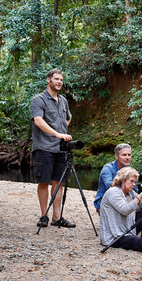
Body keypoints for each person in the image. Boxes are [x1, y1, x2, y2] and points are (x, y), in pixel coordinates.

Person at [31, 69, 75, 228]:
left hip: (61, 149)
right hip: (43, 147)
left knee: (59, 182)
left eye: (61, 79)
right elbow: (38, 121)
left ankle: (57, 217)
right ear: (48, 80)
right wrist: (57, 133)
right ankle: (44, 216)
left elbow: (68, 118)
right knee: (43, 181)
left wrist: (62, 132)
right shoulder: (39, 99)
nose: (59, 82)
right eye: (56, 79)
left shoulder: (63, 100)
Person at [94, 143, 132, 212]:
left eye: (129, 155)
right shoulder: (108, 168)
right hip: (105, 201)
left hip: (123, 200)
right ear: (116, 156)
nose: (127, 157)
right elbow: (110, 186)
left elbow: (135, 190)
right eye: (124, 155)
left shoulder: (130, 170)